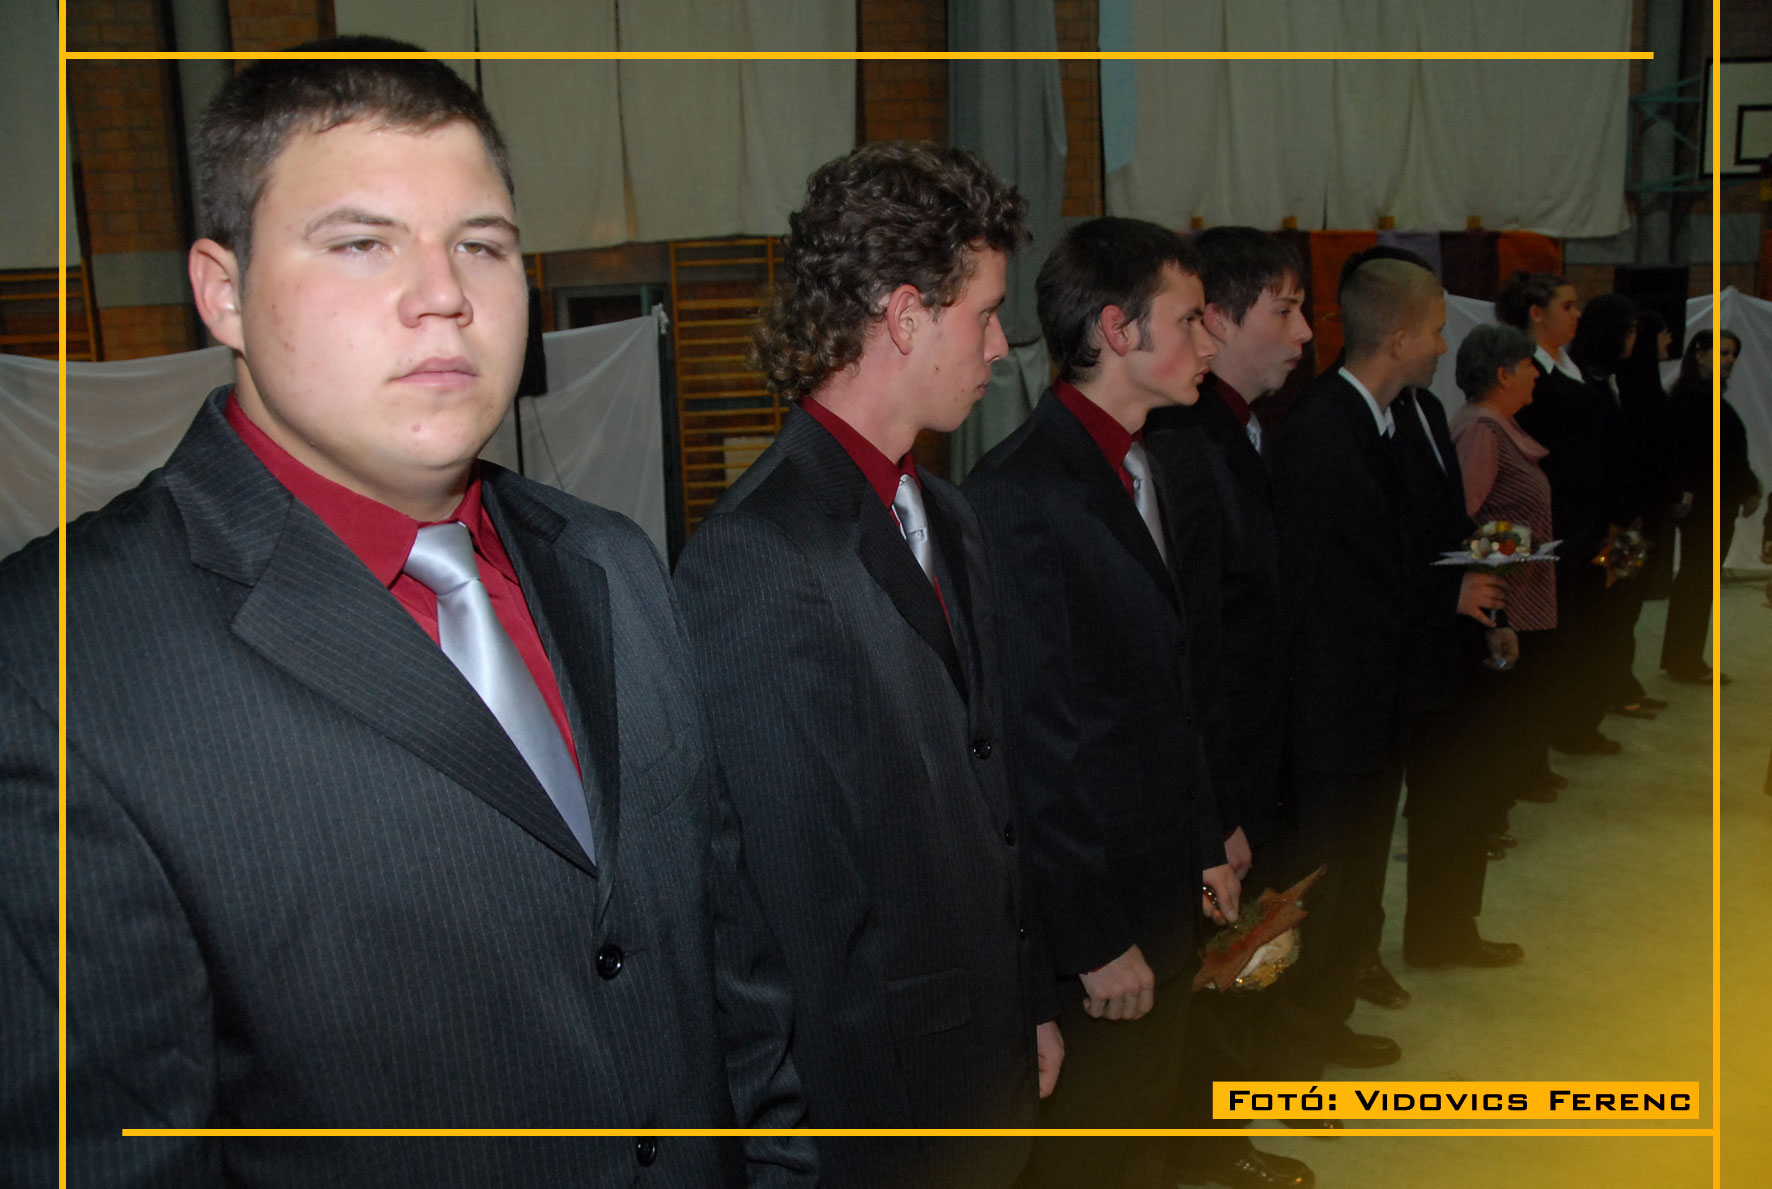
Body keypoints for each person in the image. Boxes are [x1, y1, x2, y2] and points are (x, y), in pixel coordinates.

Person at [0, 41, 815, 1187]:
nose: (444, 294)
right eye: (360, 242)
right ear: (222, 292)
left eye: (481, 245)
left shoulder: (613, 560)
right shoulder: (58, 663)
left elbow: (728, 971)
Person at [673, 141, 1058, 1189]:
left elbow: (991, 795)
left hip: (982, 1053)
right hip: (892, 1110)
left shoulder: (946, 512)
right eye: (985, 314)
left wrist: (1026, 1004)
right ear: (905, 315)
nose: (999, 345)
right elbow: (800, 928)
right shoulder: (758, 559)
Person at [964, 216, 1234, 1189]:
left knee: (1148, 1129)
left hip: (1160, 875)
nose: (1210, 342)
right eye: (1190, 319)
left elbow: (1165, 687)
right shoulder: (1019, 493)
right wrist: (1091, 938)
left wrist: (1206, 837)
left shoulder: (1147, 462)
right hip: (1099, 914)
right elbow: (1036, 744)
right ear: (1117, 330)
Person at [1266, 257, 1495, 1074]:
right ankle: (1294, 1053)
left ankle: (1326, 1023)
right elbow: (1295, 591)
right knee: (1320, 886)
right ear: (1398, 337)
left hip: (1374, 700)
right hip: (1329, 716)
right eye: (1434, 330)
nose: (1441, 346)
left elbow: (1386, 560)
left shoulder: (1383, 421)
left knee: (1357, 881)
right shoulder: (1322, 430)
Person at [1141, 227, 1319, 1187]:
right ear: (1218, 317)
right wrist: (1220, 812)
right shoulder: (1185, 444)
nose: (1303, 332)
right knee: (1211, 969)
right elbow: (1200, 654)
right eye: (1284, 310)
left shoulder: (1241, 429)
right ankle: (1205, 1149)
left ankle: (1225, 1128)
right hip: (1222, 769)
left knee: (1243, 961)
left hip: (1255, 755)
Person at [1499, 271, 1623, 756]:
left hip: (1586, 522)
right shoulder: (1528, 373)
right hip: (1553, 526)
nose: (1577, 315)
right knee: (1546, 640)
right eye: (1567, 306)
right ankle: (1533, 750)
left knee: (1579, 632)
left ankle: (1571, 726)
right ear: (1536, 313)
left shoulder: (1573, 368)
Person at [1448, 323, 1563, 829]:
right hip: (1498, 605)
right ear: (1502, 373)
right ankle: (1482, 822)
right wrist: (1523, 545)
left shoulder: (1495, 425)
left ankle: (1490, 815)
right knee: (1490, 719)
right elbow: (1462, 524)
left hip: (1511, 599)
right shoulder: (1481, 431)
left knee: (1506, 715)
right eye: (1528, 364)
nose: (1537, 373)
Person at [1568, 293, 1660, 721]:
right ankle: (1607, 691)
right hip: (1608, 523)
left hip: (1626, 521)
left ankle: (1619, 684)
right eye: (1629, 330)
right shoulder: (1587, 383)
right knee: (1609, 610)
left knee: (1624, 607)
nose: (1634, 338)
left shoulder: (1614, 379)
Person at [1661, 329, 1761, 682]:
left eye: (1733, 354)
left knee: (1699, 579)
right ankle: (1684, 660)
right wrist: (1686, 490)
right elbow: (1696, 452)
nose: (1730, 360)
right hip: (1706, 506)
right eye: (1722, 353)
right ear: (1700, 354)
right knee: (1698, 579)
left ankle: (1683, 657)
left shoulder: (1708, 398)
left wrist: (1749, 486)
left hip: (1716, 503)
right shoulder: (1692, 399)